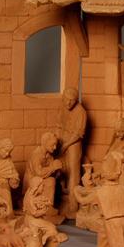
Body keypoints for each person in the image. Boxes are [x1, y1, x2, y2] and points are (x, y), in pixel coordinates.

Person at [57, 87, 86, 218]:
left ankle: (73, 204)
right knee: (61, 168)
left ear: (76, 100)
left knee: (74, 172)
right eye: (66, 100)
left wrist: (66, 145)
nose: (68, 103)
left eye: (72, 100)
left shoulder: (81, 112)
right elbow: (58, 126)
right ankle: (60, 200)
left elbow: (78, 133)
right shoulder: (62, 108)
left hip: (73, 143)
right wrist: (58, 141)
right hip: (62, 140)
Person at [22, 132, 62, 219]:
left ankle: (48, 206)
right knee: (50, 182)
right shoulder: (36, 155)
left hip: (42, 178)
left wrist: (57, 171)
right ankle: (44, 207)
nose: (55, 147)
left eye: (55, 145)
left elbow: (51, 171)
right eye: (53, 145)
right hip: (33, 180)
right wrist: (53, 167)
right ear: (45, 143)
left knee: (51, 180)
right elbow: (39, 173)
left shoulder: (49, 155)